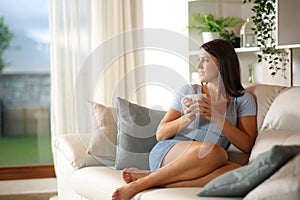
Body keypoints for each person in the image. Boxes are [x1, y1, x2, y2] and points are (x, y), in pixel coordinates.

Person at [112, 39, 257, 200]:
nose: (199, 66)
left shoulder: (243, 100)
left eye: (205, 60)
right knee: (216, 153)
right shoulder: (189, 90)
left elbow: (246, 145)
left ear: (222, 63)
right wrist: (187, 118)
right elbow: (160, 134)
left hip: (207, 161)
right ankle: (140, 184)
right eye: (199, 59)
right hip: (170, 152)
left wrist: (216, 117)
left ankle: (155, 179)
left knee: (238, 171)